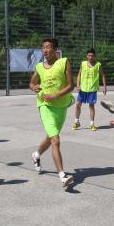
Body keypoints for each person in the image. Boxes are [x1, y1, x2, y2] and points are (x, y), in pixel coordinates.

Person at [29, 38, 75, 187]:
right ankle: (62, 175)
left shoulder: (64, 62)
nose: (45, 50)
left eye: (48, 47)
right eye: (43, 48)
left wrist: (56, 95)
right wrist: (33, 87)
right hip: (45, 106)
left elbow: (70, 86)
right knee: (55, 140)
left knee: (50, 137)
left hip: (61, 106)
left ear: (56, 49)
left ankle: (36, 155)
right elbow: (32, 82)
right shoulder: (39, 66)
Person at [72, 48, 107, 131]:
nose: (90, 57)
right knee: (78, 104)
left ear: (94, 56)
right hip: (83, 88)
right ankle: (76, 122)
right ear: (87, 56)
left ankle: (92, 124)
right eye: (89, 55)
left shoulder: (98, 64)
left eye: (92, 55)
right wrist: (77, 84)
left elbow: (103, 75)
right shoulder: (83, 64)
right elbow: (79, 74)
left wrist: (105, 86)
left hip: (92, 89)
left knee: (91, 106)